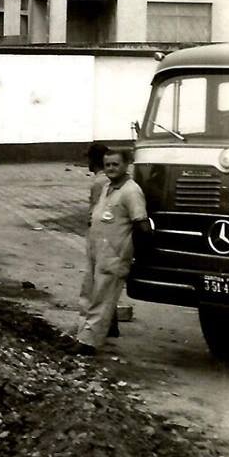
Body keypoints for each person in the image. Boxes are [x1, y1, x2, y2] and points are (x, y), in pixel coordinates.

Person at [77, 145, 146, 352]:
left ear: (126, 165)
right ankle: (83, 335)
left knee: (103, 297)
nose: (111, 168)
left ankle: (89, 343)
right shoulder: (107, 187)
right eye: (107, 165)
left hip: (114, 254)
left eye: (116, 164)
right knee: (88, 292)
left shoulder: (131, 191)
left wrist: (132, 254)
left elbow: (141, 223)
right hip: (97, 250)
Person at [84, 143, 122, 338]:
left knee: (98, 281)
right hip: (111, 235)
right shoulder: (108, 180)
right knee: (106, 280)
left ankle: (103, 324)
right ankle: (111, 323)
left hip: (101, 236)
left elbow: (96, 211)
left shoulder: (99, 182)